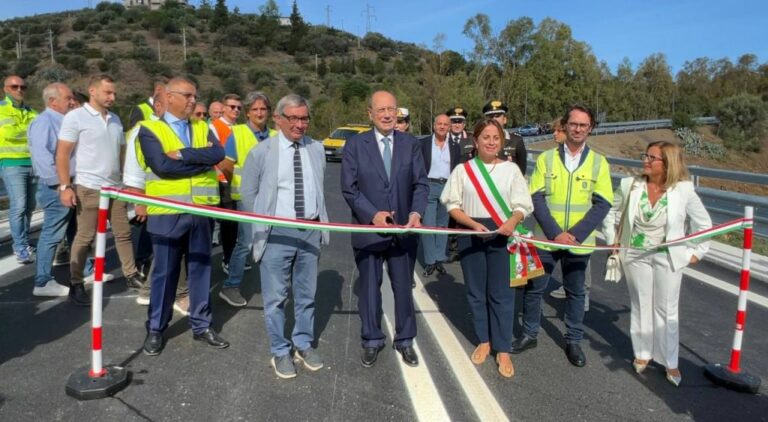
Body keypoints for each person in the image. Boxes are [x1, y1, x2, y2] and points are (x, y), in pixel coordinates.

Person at [512, 104, 613, 368]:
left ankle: (573, 341)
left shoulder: (599, 163)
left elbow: (602, 203)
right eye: (574, 124)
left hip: (579, 242)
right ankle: (530, 333)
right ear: (565, 125)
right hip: (547, 237)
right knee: (534, 288)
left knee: (576, 292)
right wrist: (556, 233)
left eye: (583, 125)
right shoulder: (546, 158)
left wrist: (575, 235)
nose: (578, 129)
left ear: (590, 128)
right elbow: (536, 196)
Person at [603, 141, 711, 387]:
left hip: (668, 256)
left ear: (668, 163)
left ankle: (669, 360)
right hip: (636, 254)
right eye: (645, 155)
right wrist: (613, 242)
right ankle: (642, 353)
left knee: (666, 309)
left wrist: (697, 252)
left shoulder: (683, 190)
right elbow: (612, 212)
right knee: (641, 305)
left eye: (652, 158)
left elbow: (703, 225)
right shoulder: (631, 185)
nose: (646, 161)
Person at [136, 77, 229, 356]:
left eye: (194, 95)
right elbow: (163, 167)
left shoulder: (202, 127)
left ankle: (202, 325)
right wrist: (200, 165)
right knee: (165, 272)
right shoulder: (149, 129)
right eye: (187, 95)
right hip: (167, 212)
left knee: (201, 270)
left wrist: (185, 154)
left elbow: (218, 152)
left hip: (200, 212)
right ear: (169, 97)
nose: (192, 100)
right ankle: (156, 328)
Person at [240, 94, 328, 379]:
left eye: (305, 118)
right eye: (294, 118)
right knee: (276, 297)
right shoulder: (262, 152)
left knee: (306, 294)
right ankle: (280, 350)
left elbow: (319, 186)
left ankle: (303, 344)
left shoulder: (316, 148)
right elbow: (248, 196)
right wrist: (258, 233)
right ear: (278, 119)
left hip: (310, 230)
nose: (301, 125)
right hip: (277, 232)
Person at [341, 90, 429, 368]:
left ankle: (405, 341)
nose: (388, 115)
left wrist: (416, 213)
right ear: (370, 114)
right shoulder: (355, 145)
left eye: (392, 109)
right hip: (369, 231)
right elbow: (349, 188)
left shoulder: (410, 144)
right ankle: (371, 339)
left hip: (403, 232)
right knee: (369, 289)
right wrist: (372, 215)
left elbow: (421, 184)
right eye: (381, 110)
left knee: (403, 289)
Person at [441, 119, 533, 378]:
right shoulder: (463, 170)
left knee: (503, 294)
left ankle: (502, 347)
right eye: (486, 137)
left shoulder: (512, 170)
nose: (491, 142)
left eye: (496, 137)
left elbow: (522, 205)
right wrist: (471, 224)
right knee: (475, 292)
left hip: (503, 234)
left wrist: (511, 222)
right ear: (476, 140)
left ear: (502, 142)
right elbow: (452, 204)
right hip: (472, 234)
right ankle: (484, 340)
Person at [56, 74, 143, 306]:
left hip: (116, 188)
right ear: (92, 91)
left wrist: (128, 181)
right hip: (89, 187)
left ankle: (131, 274)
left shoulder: (115, 119)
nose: (112, 97)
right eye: (108, 93)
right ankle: (76, 282)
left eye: (114, 93)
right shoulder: (75, 118)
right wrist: (65, 187)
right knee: (85, 236)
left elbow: (123, 153)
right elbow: (63, 153)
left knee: (123, 233)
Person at [123, 89, 190, 314]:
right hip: (158, 201)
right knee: (167, 251)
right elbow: (134, 170)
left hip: (177, 200)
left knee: (170, 250)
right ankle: (169, 296)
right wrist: (138, 202)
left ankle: (153, 292)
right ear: (159, 106)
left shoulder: (176, 128)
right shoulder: (145, 130)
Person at [217, 91, 276, 307]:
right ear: (248, 113)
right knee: (246, 242)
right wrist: (242, 187)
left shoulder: (275, 136)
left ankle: (273, 286)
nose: (259, 113)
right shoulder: (238, 133)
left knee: (271, 240)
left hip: (270, 197)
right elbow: (226, 165)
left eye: (263, 109)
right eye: (255, 109)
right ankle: (230, 285)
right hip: (246, 197)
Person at [28, 83, 76, 296]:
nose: (72, 101)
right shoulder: (44, 123)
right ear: (52, 101)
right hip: (56, 187)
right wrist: (61, 185)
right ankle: (43, 281)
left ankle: (83, 269)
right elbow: (43, 158)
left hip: (69, 183)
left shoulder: (63, 121)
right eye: (68, 98)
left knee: (76, 229)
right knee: (52, 232)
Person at [548, 119, 593, 311]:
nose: (554, 134)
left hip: (579, 228)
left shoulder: (589, 159)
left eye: (558, 130)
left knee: (581, 264)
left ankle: (584, 293)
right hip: (555, 227)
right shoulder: (552, 157)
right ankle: (570, 288)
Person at [1, 75, 38, 264]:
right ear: (6, 89)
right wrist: (28, 130)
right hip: (11, 163)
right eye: (14, 86)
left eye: (22, 86)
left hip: (32, 163)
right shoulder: (1, 110)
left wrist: (23, 130)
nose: (19, 89)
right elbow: (9, 134)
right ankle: (19, 246)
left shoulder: (31, 111)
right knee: (19, 205)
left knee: (30, 206)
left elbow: (40, 132)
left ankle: (23, 241)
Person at [419, 113, 460, 276]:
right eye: (439, 124)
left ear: (449, 127)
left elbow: (457, 170)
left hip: (447, 187)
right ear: (434, 125)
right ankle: (430, 261)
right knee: (428, 225)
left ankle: (439, 259)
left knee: (442, 225)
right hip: (429, 185)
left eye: (446, 124)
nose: (442, 126)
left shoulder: (454, 147)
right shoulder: (423, 144)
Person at [210, 94, 242, 274]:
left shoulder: (239, 129)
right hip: (218, 182)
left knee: (232, 225)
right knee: (220, 223)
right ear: (224, 107)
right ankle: (227, 259)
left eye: (238, 107)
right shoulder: (214, 127)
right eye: (232, 107)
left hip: (234, 181)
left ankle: (231, 258)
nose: (236, 110)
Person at [482, 99, 527, 174]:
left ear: (505, 119)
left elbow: (521, 170)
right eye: (491, 116)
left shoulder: (516, 141)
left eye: (497, 116)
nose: (494, 119)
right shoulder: (480, 141)